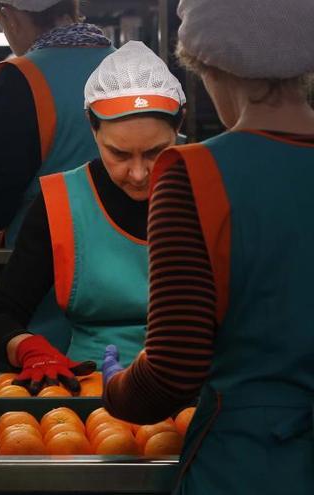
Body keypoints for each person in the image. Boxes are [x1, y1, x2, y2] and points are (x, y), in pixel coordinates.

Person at [102, 1, 314, 493]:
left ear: (206, 64)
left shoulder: (191, 173)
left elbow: (173, 374)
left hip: (253, 464)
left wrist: (117, 390)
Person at [0, 41, 186, 395]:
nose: (138, 174)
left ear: (179, 127)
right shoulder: (61, 202)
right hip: (92, 397)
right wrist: (28, 347)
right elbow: (0, 315)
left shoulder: (209, 193)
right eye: (119, 153)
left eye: (155, 152)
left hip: (190, 390)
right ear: (93, 129)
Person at [0, 0, 114, 248]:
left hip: (46, 267)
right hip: (132, 264)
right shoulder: (133, 65)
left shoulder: (19, 77)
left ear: (10, 17)